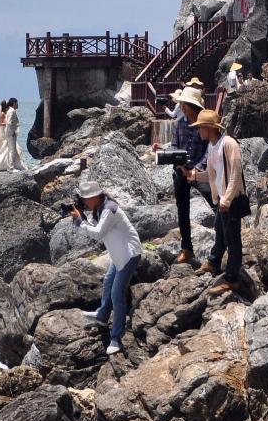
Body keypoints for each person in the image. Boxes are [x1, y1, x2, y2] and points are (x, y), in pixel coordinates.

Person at [70, 181, 142, 355]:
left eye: (86, 199)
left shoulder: (109, 209)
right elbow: (97, 228)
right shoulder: (100, 208)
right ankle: (102, 316)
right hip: (119, 255)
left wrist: (80, 221)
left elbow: (97, 234)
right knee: (108, 281)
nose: (85, 202)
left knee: (117, 296)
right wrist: (84, 215)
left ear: (95, 197)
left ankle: (116, 337)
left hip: (128, 255)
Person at [152, 86, 212, 264]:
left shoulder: (206, 122)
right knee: (182, 211)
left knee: (216, 205)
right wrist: (163, 150)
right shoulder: (179, 123)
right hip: (181, 171)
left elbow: (210, 149)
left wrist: (197, 169)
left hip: (202, 173)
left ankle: (222, 244)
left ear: (192, 106)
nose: (182, 107)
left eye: (184, 104)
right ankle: (187, 249)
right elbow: (175, 146)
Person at [189, 110, 246, 295]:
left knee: (233, 241)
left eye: (200, 127)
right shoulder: (213, 146)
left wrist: (227, 199)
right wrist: (194, 175)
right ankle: (214, 262)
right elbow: (212, 175)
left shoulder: (229, 143)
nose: (198, 131)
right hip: (222, 200)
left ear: (208, 128)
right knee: (220, 233)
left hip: (231, 201)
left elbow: (236, 172)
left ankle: (231, 279)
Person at [0, 97, 27, 172]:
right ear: (14, 103)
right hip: (11, 134)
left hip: (8, 133)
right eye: (17, 103)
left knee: (10, 150)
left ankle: (10, 166)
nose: (18, 104)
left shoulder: (9, 111)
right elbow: (9, 123)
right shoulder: (12, 111)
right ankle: (11, 168)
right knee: (12, 150)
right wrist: (13, 132)